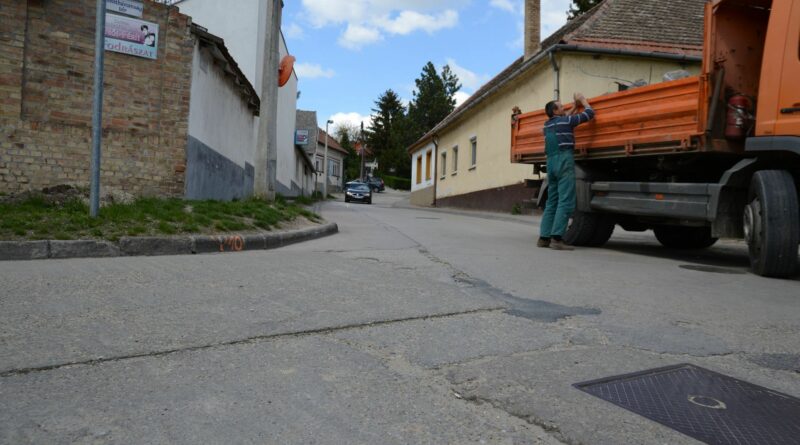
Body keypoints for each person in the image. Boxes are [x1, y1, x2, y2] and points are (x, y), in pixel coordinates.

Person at [537, 93, 595, 250]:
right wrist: (583, 101)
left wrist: (574, 107)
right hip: (564, 162)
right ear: (556, 111)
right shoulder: (566, 121)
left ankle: (544, 238)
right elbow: (590, 114)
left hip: (551, 163)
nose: (565, 108)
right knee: (566, 201)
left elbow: (564, 120)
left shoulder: (547, 125)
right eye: (562, 107)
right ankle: (557, 239)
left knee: (552, 202)